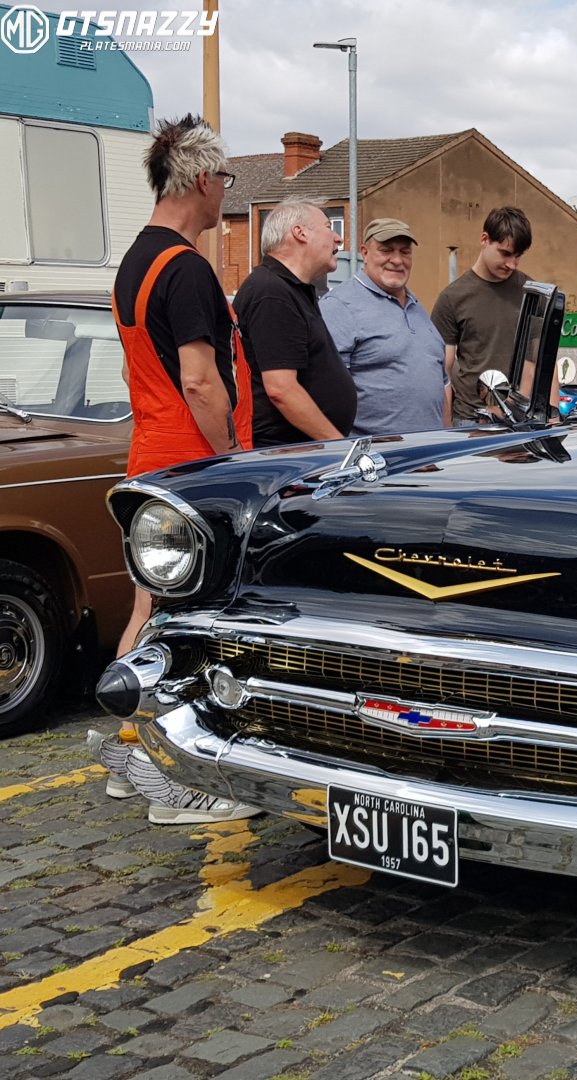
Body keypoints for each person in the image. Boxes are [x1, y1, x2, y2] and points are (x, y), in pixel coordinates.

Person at [93, 113, 259, 825]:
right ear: (199, 178)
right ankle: (174, 783)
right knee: (187, 618)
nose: (227, 192)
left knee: (148, 608)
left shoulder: (137, 258)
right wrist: (231, 463)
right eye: (225, 178)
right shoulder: (187, 267)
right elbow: (200, 378)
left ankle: (128, 757)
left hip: (151, 449)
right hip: (191, 458)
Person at [234, 198, 356, 446]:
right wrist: (338, 446)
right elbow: (281, 389)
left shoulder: (290, 289)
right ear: (300, 233)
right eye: (328, 227)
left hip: (300, 452)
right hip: (283, 458)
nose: (338, 239)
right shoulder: (272, 292)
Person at [320, 218, 447, 435]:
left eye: (404, 252)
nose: (397, 260)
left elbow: (443, 383)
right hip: (375, 461)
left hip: (429, 457)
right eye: (386, 250)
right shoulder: (339, 307)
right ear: (364, 252)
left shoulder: (417, 308)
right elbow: (323, 392)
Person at [430, 206, 532, 423]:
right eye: (505, 253)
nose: (511, 264)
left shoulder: (531, 292)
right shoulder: (452, 298)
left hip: (521, 423)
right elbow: (441, 373)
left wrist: (545, 421)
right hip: (470, 422)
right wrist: (446, 430)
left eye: (518, 256)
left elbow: (539, 360)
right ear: (485, 239)